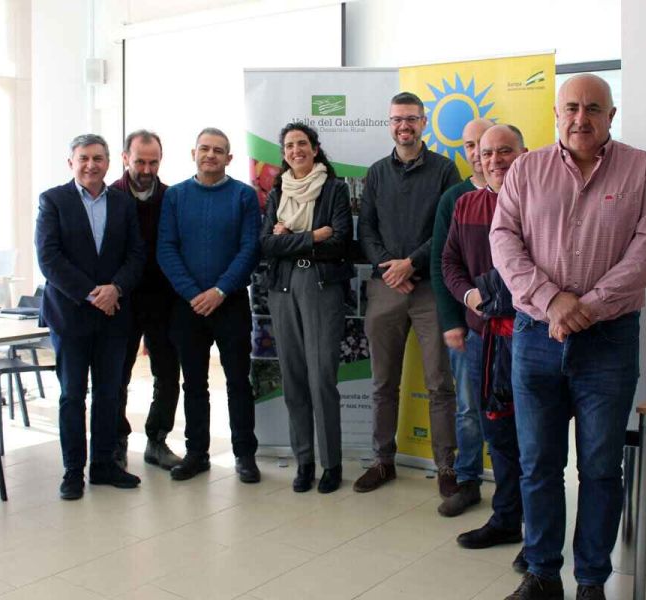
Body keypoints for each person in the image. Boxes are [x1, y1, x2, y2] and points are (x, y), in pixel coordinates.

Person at [490, 74, 646, 600]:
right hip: (534, 336)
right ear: (556, 112)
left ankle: (591, 580)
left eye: (594, 108)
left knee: (598, 467)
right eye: (571, 107)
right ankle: (544, 573)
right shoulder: (526, 168)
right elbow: (505, 242)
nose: (581, 117)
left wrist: (585, 307)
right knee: (539, 463)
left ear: (611, 116)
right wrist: (553, 301)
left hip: (608, 341)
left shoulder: (644, 169)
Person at [355, 92, 461, 495]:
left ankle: (446, 467)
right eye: (397, 119)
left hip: (431, 288)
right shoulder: (377, 173)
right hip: (386, 288)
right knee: (383, 383)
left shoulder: (445, 170)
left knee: (439, 382)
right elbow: (366, 229)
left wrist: (411, 264)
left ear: (423, 122)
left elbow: (447, 231)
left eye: (412, 119)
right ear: (390, 123)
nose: (404, 126)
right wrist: (390, 267)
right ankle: (383, 462)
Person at [35, 133, 146, 500]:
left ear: (109, 162)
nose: (91, 165)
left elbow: (136, 255)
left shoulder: (122, 203)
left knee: (109, 393)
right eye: (83, 158)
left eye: (98, 158)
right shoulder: (53, 200)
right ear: (71, 162)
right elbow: (50, 259)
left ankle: (103, 465)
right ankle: (72, 471)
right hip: (71, 316)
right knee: (72, 395)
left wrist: (115, 289)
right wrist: (92, 293)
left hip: (115, 314)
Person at [442, 124, 528, 573]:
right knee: (496, 434)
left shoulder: (541, 203)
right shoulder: (467, 204)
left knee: (533, 440)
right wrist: (470, 297)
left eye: (505, 151)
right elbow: (450, 260)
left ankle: (539, 536)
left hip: (530, 340)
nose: (494, 159)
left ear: (525, 153)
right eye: (487, 152)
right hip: (482, 339)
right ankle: (506, 519)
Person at [157, 127, 261, 484]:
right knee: (194, 383)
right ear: (193, 153)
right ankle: (197, 453)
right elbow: (166, 248)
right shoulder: (176, 196)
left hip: (230, 304)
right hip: (187, 307)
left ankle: (245, 454)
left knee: (238, 383)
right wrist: (193, 293)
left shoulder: (244, 197)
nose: (211, 155)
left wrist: (219, 290)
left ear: (229, 158)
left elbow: (249, 249)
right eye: (205, 149)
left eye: (218, 150)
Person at [260, 122, 354, 494]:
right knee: (295, 380)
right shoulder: (277, 190)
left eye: (302, 144)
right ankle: (304, 462)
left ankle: (331, 464)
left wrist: (291, 239)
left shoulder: (334, 189)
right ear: (283, 153)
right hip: (283, 291)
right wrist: (313, 236)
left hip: (320, 288)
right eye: (289, 145)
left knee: (321, 380)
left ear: (315, 148)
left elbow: (341, 242)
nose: (295, 150)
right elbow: (266, 244)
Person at [431, 117, 492, 516]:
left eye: (482, 144)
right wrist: (452, 321)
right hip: (467, 327)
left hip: (514, 330)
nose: (476, 153)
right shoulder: (454, 197)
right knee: (468, 409)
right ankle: (467, 480)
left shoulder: (522, 192)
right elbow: (442, 263)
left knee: (513, 411)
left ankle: (514, 488)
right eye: (469, 145)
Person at [112, 129, 182, 471]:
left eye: (153, 162)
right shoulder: (109, 197)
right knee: (116, 375)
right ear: (126, 158)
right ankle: (117, 439)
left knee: (168, 374)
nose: (146, 169)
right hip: (120, 302)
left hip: (162, 301)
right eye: (140, 161)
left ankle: (157, 440)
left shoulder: (172, 197)